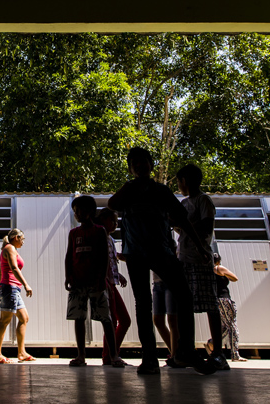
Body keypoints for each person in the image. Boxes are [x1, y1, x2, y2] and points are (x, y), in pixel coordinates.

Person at [108, 147, 215, 375]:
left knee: (184, 295)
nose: (139, 166)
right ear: (130, 168)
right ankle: (149, 358)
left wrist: (200, 246)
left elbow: (182, 219)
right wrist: (129, 187)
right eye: (134, 163)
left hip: (161, 251)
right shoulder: (129, 190)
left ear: (150, 165)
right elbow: (112, 204)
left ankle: (185, 350)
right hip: (135, 254)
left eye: (143, 161)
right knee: (143, 303)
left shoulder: (161, 191)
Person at [175, 163, 228, 371]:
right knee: (185, 305)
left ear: (185, 181)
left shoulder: (203, 200)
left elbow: (206, 225)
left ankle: (218, 353)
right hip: (185, 258)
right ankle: (186, 350)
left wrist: (186, 227)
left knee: (209, 304)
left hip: (200, 258)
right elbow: (182, 230)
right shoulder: (185, 203)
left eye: (179, 182)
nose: (179, 186)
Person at [65, 196, 124, 368]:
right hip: (78, 283)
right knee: (79, 318)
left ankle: (114, 355)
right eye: (75, 211)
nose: (77, 214)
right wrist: (68, 276)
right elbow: (69, 256)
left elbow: (104, 257)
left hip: (96, 282)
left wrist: (101, 279)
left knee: (106, 318)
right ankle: (81, 355)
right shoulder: (73, 233)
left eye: (79, 210)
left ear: (90, 211)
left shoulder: (99, 231)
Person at [94, 208, 131, 366]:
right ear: (103, 220)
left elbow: (111, 259)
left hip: (112, 281)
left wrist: (118, 275)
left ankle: (110, 354)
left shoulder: (110, 239)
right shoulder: (100, 235)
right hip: (106, 283)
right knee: (114, 320)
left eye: (117, 222)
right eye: (112, 221)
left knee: (123, 320)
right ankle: (108, 355)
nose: (115, 224)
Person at [0, 229, 35, 364]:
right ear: (16, 237)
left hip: (12, 288)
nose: (23, 242)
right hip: (10, 288)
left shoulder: (11, 249)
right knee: (4, 320)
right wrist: (26, 284)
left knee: (24, 318)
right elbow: (14, 268)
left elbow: (1, 271)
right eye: (22, 239)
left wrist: (0, 289)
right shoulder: (9, 248)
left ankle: (21, 353)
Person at [205, 253, 247, 362]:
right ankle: (235, 354)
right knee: (232, 326)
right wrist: (225, 275)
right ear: (218, 261)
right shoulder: (219, 268)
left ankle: (212, 343)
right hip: (223, 299)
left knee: (225, 326)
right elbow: (235, 278)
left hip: (215, 300)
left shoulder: (207, 271)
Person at [151, 272, 181, 368]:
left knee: (172, 319)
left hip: (170, 280)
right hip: (157, 282)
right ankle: (175, 353)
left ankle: (175, 356)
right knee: (158, 320)